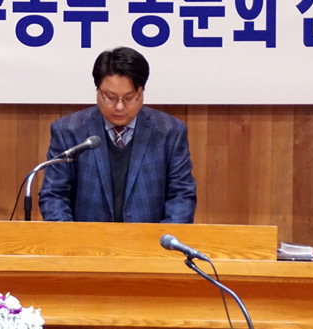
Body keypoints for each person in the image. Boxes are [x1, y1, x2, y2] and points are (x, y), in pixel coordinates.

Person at [39, 46, 197, 222]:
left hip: (150, 237)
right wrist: (70, 236)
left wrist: (164, 237)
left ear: (141, 92)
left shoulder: (170, 132)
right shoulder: (68, 131)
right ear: (98, 91)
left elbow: (182, 195)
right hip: (87, 237)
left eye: (129, 98)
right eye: (110, 97)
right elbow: (54, 195)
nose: (120, 107)